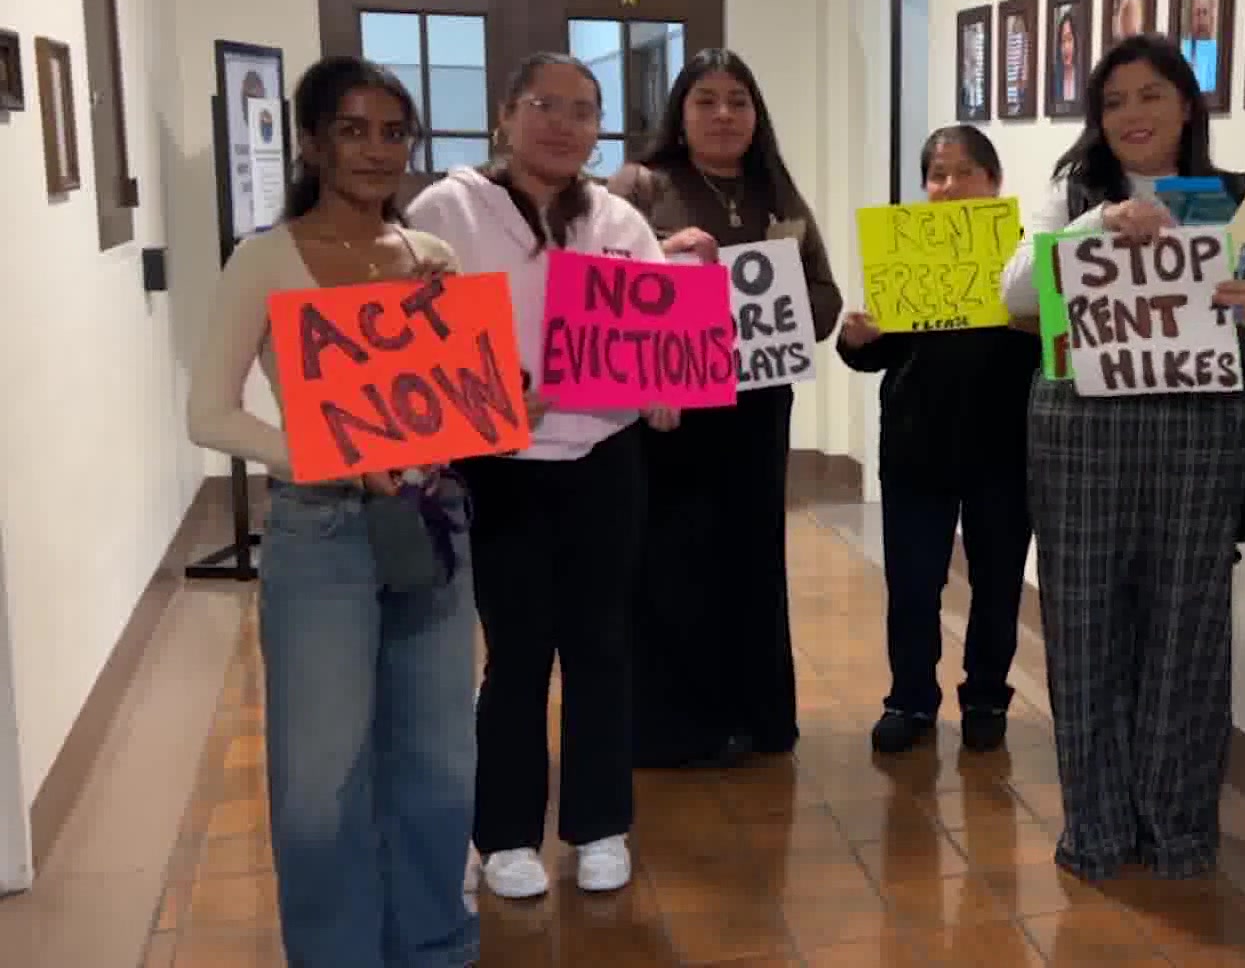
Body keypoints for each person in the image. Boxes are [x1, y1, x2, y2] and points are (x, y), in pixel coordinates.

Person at [999, 33, 1245, 882]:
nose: (1133, 115)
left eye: (1151, 94)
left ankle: (1178, 829)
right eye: (1114, 101)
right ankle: (1097, 828)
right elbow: (1014, 293)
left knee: (1187, 624)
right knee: (1085, 622)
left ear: (1186, 105)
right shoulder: (1072, 192)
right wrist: (1097, 226)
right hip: (1081, 428)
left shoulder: (1234, 198)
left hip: (1199, 429)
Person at [186, 55, 480, 967]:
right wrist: (336, 456)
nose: (376, 149)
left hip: (433, 523)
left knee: (439, 761)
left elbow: (453, 400)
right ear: (312, 143)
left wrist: (504, 402)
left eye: (394, 132)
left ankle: (433, 944)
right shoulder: (264, 260)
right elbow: (210, 414)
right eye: (353, 130)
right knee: (322, 780)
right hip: (320, 534)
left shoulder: (432, 258)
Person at [407, 52, 687, 899]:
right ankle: (505, 835)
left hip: (604, 459)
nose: (563, 124)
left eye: (582, 110)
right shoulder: (446, 210)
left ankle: (601, 824)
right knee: (518, 652)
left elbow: (660, 331)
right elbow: (414, 337)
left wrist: (666, 387)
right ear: (506, 114)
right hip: (499, 469)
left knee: (601, 646)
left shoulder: (617, 219)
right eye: (545, 105)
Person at [608, 48, 843, 768]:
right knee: (670, 562)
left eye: (738, 100)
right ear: (679, 113)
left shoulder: (777, 190)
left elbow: (825, 296)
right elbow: (601, 279)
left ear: (756, 114)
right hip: (669, 413)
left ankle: (756, 718)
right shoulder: (640, 184)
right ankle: (674, 728)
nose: (723, 115)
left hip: (758, 409)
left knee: (751, 558)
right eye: (705, 100)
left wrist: (779, 308)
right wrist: (667, 259)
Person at [836, 125, 1038, 755]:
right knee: (913, 585)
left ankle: (986, 696)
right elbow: (875, 355)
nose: (949, 186)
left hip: (1004, 452)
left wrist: (1033, 322)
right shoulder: (907, 254)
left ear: (994, 182)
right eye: (937, 175)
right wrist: (855, 339)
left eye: (964, 172)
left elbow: (1058, 349)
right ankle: (910, 699)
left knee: (997, 583)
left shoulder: (1025, 262)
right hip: (915, 450)